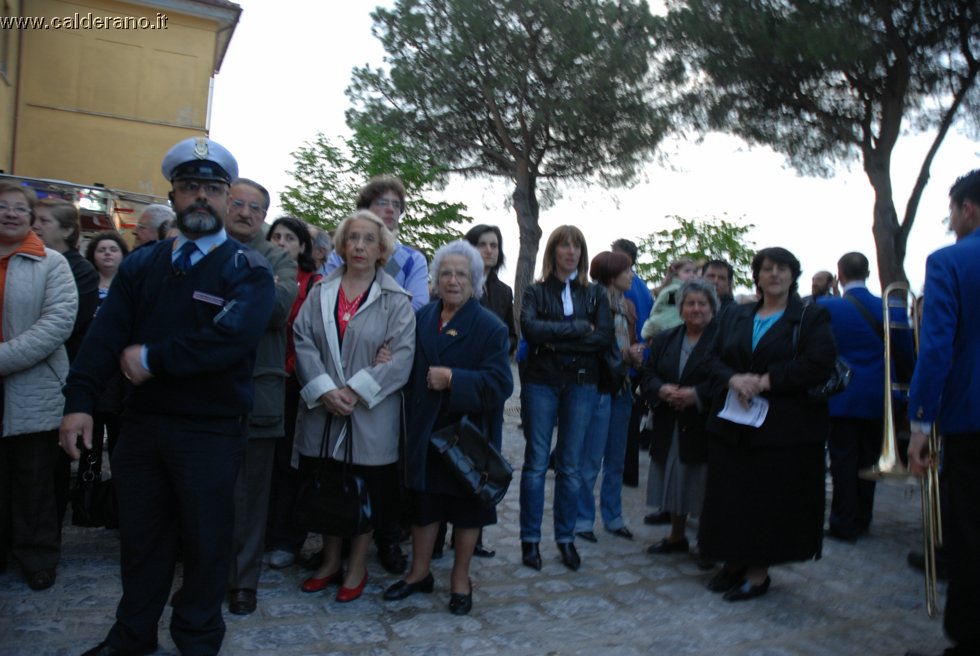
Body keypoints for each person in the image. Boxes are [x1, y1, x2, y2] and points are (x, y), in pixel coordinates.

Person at [60, 137, 276, 656]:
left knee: (205, 543)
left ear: (226, 199)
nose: (200, 197)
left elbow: (229, 340)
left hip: (210, 431)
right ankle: (132, 635)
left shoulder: (247, 271)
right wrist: (79, 401)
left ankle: (198, 638)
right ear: (174, 196)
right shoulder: (143, 264)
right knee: (141, 541)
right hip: (142, 428)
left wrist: (152, 358)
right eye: (189, 187)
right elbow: (104, 336)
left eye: (212, 188)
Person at [700, 247, 836, 601]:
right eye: (767, 268)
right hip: (733, 422)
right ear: (757, 276)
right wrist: (733, 379)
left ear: (793, 276)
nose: (775, 274)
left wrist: (765, 381)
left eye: (782, 269)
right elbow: (710, 357)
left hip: (784, 429)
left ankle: (758, 573)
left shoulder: (810, 317)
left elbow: (818, 363)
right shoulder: (735, 315)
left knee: (766, 500)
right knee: (730, 497)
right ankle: (733, 561)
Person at [384, 240, 513, 615]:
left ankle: (460, 577)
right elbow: (406, 363)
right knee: (425, 504)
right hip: (425, 430)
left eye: (461, 274)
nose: (452, 280)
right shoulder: (422, 317)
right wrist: (387, 356)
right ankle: (418, 573)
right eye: (445, 273)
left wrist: (454, 378)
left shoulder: (490, 326)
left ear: (474, 281)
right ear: (435, 280)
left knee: (466, 510)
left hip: (466, 435)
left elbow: (501, 385)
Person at [293, 209, 415, 602]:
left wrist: (357, 390)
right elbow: (303, 340)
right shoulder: (320, 292)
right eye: (353, 238)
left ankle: (357, 566)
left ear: (382, 249)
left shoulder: (396, 299)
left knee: (364, 493)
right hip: (323, 410)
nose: (360, 246)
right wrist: (327, 390)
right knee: (329, 485)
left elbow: (401, 357)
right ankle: (330, 561)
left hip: (371, 414)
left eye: (368, 240)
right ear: (342, 246)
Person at [323, 176, 428, 574]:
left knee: (382, 463)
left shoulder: (411, 259)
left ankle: (386, 538)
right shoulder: (346, 245)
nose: (389, 210)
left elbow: (415, 306)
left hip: (387, 369)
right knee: (338, 461)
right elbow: (328, 297)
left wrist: (382, 343)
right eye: (381, 202)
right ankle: (337, 543)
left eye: (396, 205)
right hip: (339, 367)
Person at [906, 169, 980, 656]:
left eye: (951, 211)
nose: (951, 220)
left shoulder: (950, 261)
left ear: (967, 208)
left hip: (970, 422)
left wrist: (919, 425)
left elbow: (936, 352)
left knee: (970, 538)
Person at [519, 225, 613, 572]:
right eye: (564, 245)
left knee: (570, 467)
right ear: (553, 251)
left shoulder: (596, 295)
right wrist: (576, 329)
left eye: (576, 246)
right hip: (541, 382)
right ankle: (530, 540)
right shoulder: (535, 291)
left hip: (582, 382)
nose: (570, 251)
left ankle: (565, 539)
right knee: (535, 464)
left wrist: (553, 339)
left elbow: (602, 338)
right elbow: (530, 330)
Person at [224, 178, 298, 616]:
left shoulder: (279, 259)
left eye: (256, 207)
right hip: (200, 392)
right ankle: (205, 574)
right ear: (223, 205)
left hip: (258, 391)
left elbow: (274, 309)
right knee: (205, 491)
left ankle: (242, 582)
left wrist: (225, 288)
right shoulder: (204, 247)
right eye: (238, 203)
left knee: (251, 496)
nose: (246, 212)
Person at [0, 182, 78, 591]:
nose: (10, 214)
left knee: (33, 478)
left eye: (19, 209)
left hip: (32, 384)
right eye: (3, 207)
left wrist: (3, 359)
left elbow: (57, 323)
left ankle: (38, 557)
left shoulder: (50, 263)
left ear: (32, 219)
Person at [427, 223, 516, 560]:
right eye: (482, 243)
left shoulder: (499, 302)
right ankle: (427, 556)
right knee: (432, 490)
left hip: (476, 414)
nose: (453, 280)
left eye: (495, 244)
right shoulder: (429, 311)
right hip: (435, 412)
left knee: (470, 488)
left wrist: (459, 376)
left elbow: (505, 363)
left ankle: (466, 558)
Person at [817, 252, 912, 543]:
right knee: (870, 459)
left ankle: (844, 522)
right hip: (880, 396)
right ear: (868, 273)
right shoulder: (890, 304)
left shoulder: (828, 306)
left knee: (843, 460)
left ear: (839, 276)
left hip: (843, 394)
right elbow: (905, 350)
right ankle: (863, 518)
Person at [640, 278, 718, 562]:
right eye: (690, 303)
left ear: (712, 308)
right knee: (674, 478)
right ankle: (676, 536)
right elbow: (648, 374)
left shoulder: (722, 341)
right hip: (669, 421)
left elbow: (725, 379)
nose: (696, 308)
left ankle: (708, 542)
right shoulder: (665, 339)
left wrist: (696, 395)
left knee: (703, 483)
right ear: (681, 308)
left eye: (702, 303)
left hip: (704, 425)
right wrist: (661, 389)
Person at [32, 199, 99, 527]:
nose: (36, 225)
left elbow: (62, 326)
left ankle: (46, 537)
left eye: (44, 220)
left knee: (50, 464)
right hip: (27, 376)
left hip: (60, 375)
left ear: (69, 230)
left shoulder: (79, 270)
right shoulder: (27, 261)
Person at [264, 216, 323, 570]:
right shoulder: (249, 269)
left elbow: (307, 335)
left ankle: (286, 538)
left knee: (288, 464)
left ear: (302, 246)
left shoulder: (314, 284)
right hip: (256, 382)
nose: (282, 242)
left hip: (292, 384)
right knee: (257, 465)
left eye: (290, 237)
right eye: (277, 236)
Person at [574, 251, 642, 543]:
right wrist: (623, 353)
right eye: (627, 271)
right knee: (590, 460)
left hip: (623, 386)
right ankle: (582, 520)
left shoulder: (627, 306)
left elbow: (631, 339)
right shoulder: (588, 301)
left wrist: (634, 354)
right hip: (597, 388)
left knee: (616, 459)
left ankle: (613, 518)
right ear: (612, 274)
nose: (631, 276)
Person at [610, 238, 652, 490]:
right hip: (637, 359)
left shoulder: (627, 287)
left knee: (624, 422)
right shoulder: (642, 285)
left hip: (628, 362)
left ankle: (627, 473)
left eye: (616, 255)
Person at [641, 258, 698, 339]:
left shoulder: (679, 289)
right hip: (668, 331)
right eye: (687, 271)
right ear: (676, 273)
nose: (692, 274)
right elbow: (672, 314)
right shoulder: (674, 290)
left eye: (694, 272)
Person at [85, 232, 130, 306]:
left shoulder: (132, 283)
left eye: (113, 250)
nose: (107, 253)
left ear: (123, 255)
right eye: (101, 250)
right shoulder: (84, 281)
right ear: (92, 256)